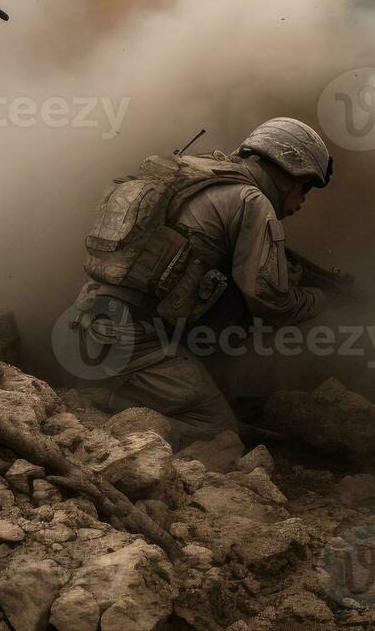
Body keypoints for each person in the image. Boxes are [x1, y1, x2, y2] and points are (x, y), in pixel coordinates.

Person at [66, 118, 338, 444]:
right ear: (290, 172)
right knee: (219, 432)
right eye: (306, 187)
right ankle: (100, 408)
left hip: (91, 325)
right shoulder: (252, 201)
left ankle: (112, 396)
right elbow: (270, 300)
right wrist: (320, 300)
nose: (303, 200)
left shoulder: (196, 174)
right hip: (134, 342)